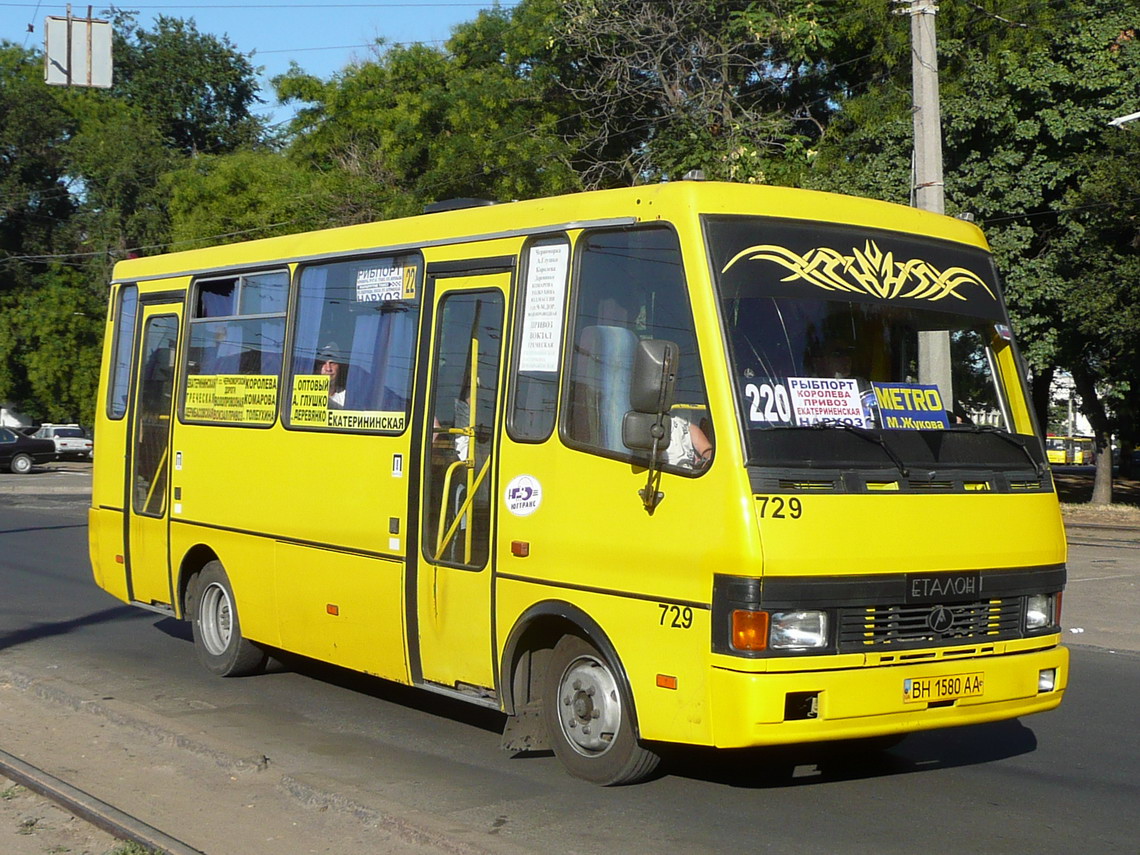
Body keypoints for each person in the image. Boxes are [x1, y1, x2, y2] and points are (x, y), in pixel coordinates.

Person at [317, 342, 347, 408]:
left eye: (332, 363)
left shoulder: (346, 397)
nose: (328, 368)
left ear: (339, 366)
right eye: (323, 363)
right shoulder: (307, 395)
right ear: (318, 368)